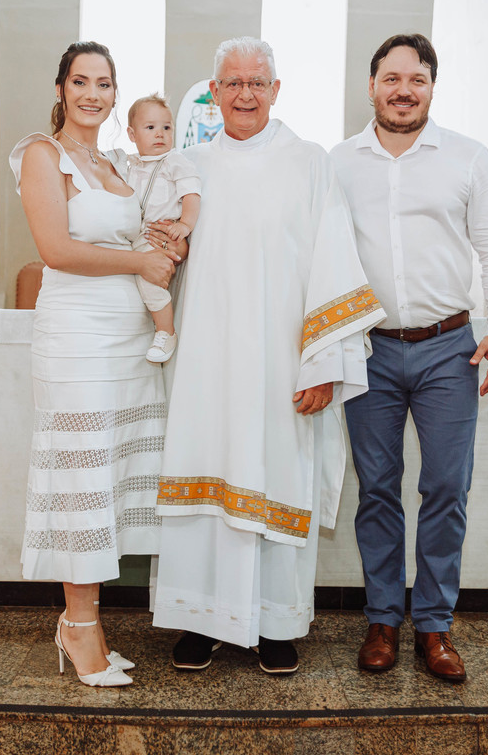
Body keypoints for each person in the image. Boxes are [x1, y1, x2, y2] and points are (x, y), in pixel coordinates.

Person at [151, 36, 385, 674]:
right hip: (205, 360)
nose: (245, 94)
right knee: (205, 473)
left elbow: (333, 261)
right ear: (214, 91)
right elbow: (159, 259)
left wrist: (325, 366)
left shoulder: (308, 162)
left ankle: (274, 623)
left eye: (258, 83)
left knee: (275, 475)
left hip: (283, 364)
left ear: (276, 91)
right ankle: (198, 619)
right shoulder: (187, 165)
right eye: (232, 83)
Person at [330, 33, 488, 683]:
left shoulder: (466, 157)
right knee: (378, 491)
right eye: (392, 78)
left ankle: (435, 627)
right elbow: (322, 258)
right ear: (372, 85)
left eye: (416, 79)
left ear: (432, 87)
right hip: (370, 350)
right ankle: (383, 618)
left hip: (449, 350)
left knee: (445, 488)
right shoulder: (338, 164)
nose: (404, 89)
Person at [9, 41, 186, 688]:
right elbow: (56, 248)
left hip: (126, 338)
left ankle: (91, 622)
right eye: (80, 81)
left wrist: (167, 239)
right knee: (81, 476)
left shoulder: (114, 162)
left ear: (115, 94)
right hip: (77, 335)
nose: (92, 94)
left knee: (108, 476)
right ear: (60, 88)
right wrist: (140, 262)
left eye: (104, 83)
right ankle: (78, 625)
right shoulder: (42, 155)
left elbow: (150, 219)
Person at [124, 94, 201, 364]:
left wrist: (185, 224)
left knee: (150, 283)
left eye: (166, 128)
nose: (160, 134)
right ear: (132, 134)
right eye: (150, 128)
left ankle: (166, 331)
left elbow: (191, 194)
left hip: (158, 238)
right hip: (134, 237)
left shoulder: (175, 162)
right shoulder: (130, 166)